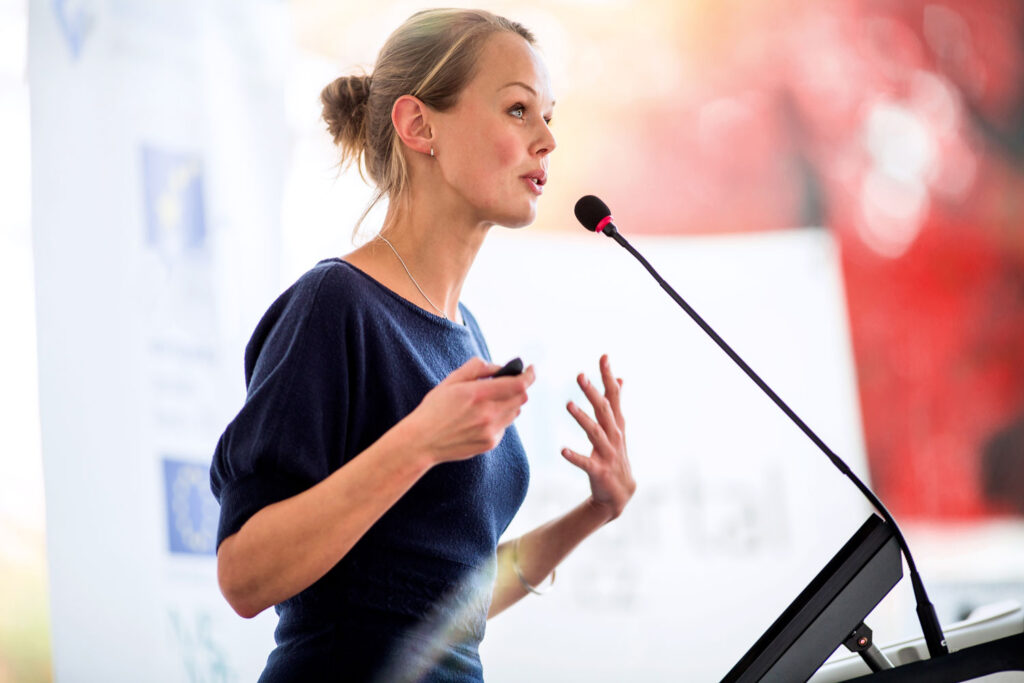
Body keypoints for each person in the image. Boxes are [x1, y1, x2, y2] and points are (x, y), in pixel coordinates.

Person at [210, 8, 636, 682]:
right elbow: (243, 574)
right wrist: (420, 442)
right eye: (519, 109)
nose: (548, 138)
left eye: (549, 114)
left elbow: (440, 608)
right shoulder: (336, 304)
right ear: (418, 126)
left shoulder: (465, 330)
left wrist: (595, 512)